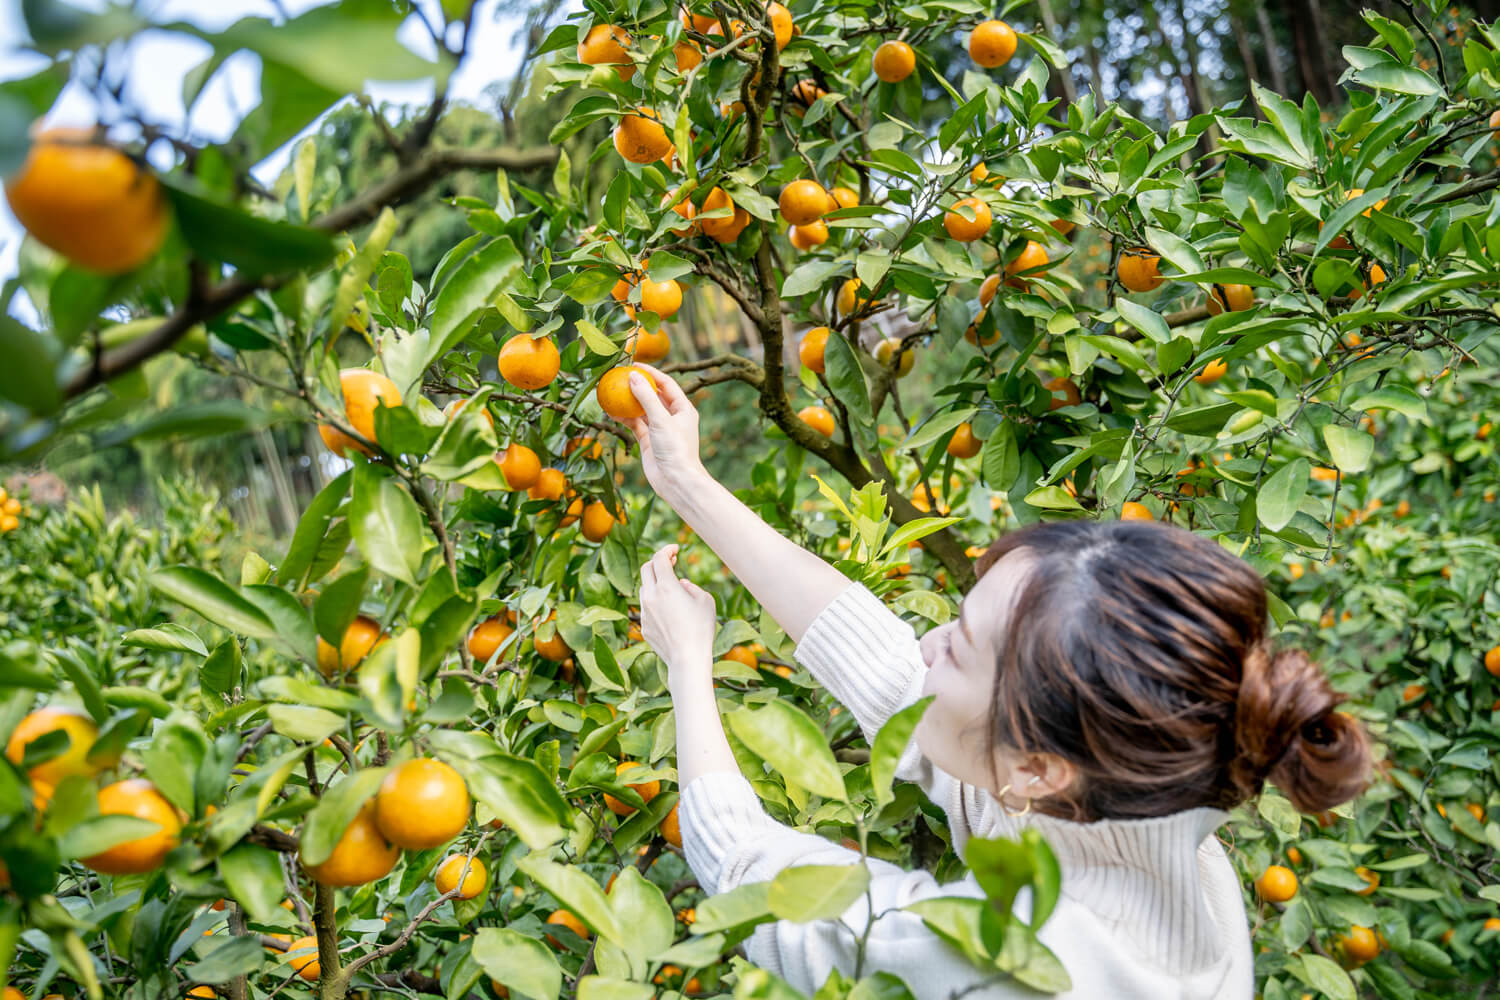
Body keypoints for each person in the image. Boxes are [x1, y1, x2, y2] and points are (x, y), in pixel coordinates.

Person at [623, 368, 1371, 1000]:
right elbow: (888, 671)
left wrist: (689, 665)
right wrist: (689, 485)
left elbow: (747, 871)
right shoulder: (1155, 811)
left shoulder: (1019, 958)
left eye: (959, 646)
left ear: (1036, 771)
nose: (925, 641)